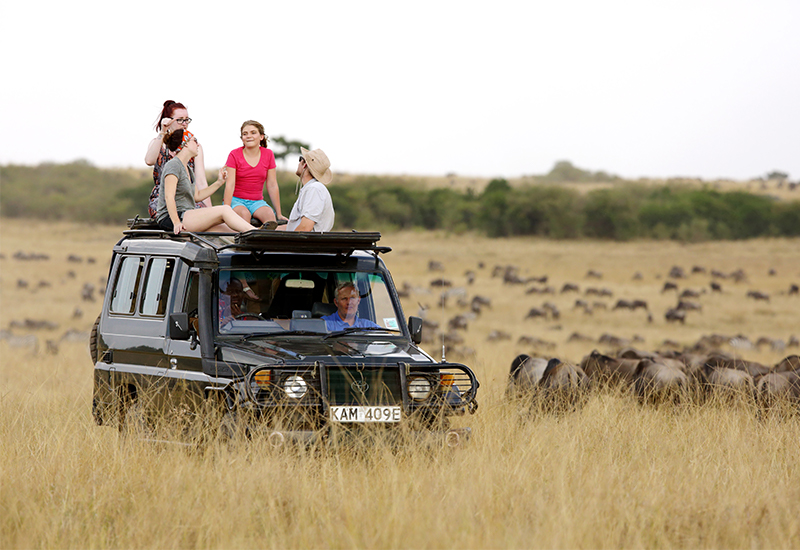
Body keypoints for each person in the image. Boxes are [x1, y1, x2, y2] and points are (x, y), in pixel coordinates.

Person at [156, 129, 260, 235]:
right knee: (225, 210)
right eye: (194, 140)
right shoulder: (173, 165)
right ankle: (256, 233)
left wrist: (219, 182)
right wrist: (176, 222)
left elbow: (197, 196)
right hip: (172, 218)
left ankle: (252, 237)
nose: (198, 144)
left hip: (187, 215)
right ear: (185, 144)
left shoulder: (188, 169)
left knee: (230, 233)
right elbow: (169, 196)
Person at [145, 100, 211, 217]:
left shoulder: (194, 146)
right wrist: (162, 132)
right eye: (180, 120)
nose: (184, 123)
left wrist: (210, 211)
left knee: (203, 213)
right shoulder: (158, 143)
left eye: (187, 120)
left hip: (187, 196)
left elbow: (201, 181)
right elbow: (149, 161)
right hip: (163, 198)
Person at [224, 120, 287, 226]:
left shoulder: (268, 154)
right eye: (245, 134)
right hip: (236, 201)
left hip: (257, 201)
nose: (249, 136)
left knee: (269, 216)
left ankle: (263, 239)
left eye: (253, 133)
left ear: (261, 137)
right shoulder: (234, 154)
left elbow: (272, 185)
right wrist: (225, 209)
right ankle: (247, 240)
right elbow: (230, 184)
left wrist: (279, 214)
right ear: (242, 139)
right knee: (244, 215)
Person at [282, 147, 335, 232]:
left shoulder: (314, 189)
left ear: (304, 164)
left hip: (306, 245)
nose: (299, 163)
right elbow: (293, 228)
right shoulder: (311, 188)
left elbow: (305, 228)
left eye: (301, 159)